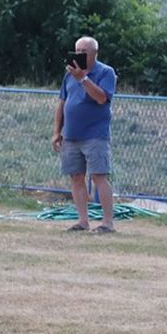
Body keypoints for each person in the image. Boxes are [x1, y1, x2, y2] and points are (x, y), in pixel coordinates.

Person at [51, 36, 117, 233]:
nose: (79, 55)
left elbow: (101, 98)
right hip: (71, 135)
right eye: (77, 51)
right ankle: (82, 221)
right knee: (76, 177)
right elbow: (62, 103)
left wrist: (83, 79)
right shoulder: (69, 75)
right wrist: (57, 132)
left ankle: (107, 223)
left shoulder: (106, 72)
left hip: (95, 135)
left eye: (84, 52)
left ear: (95, 53)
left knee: (98, 177)